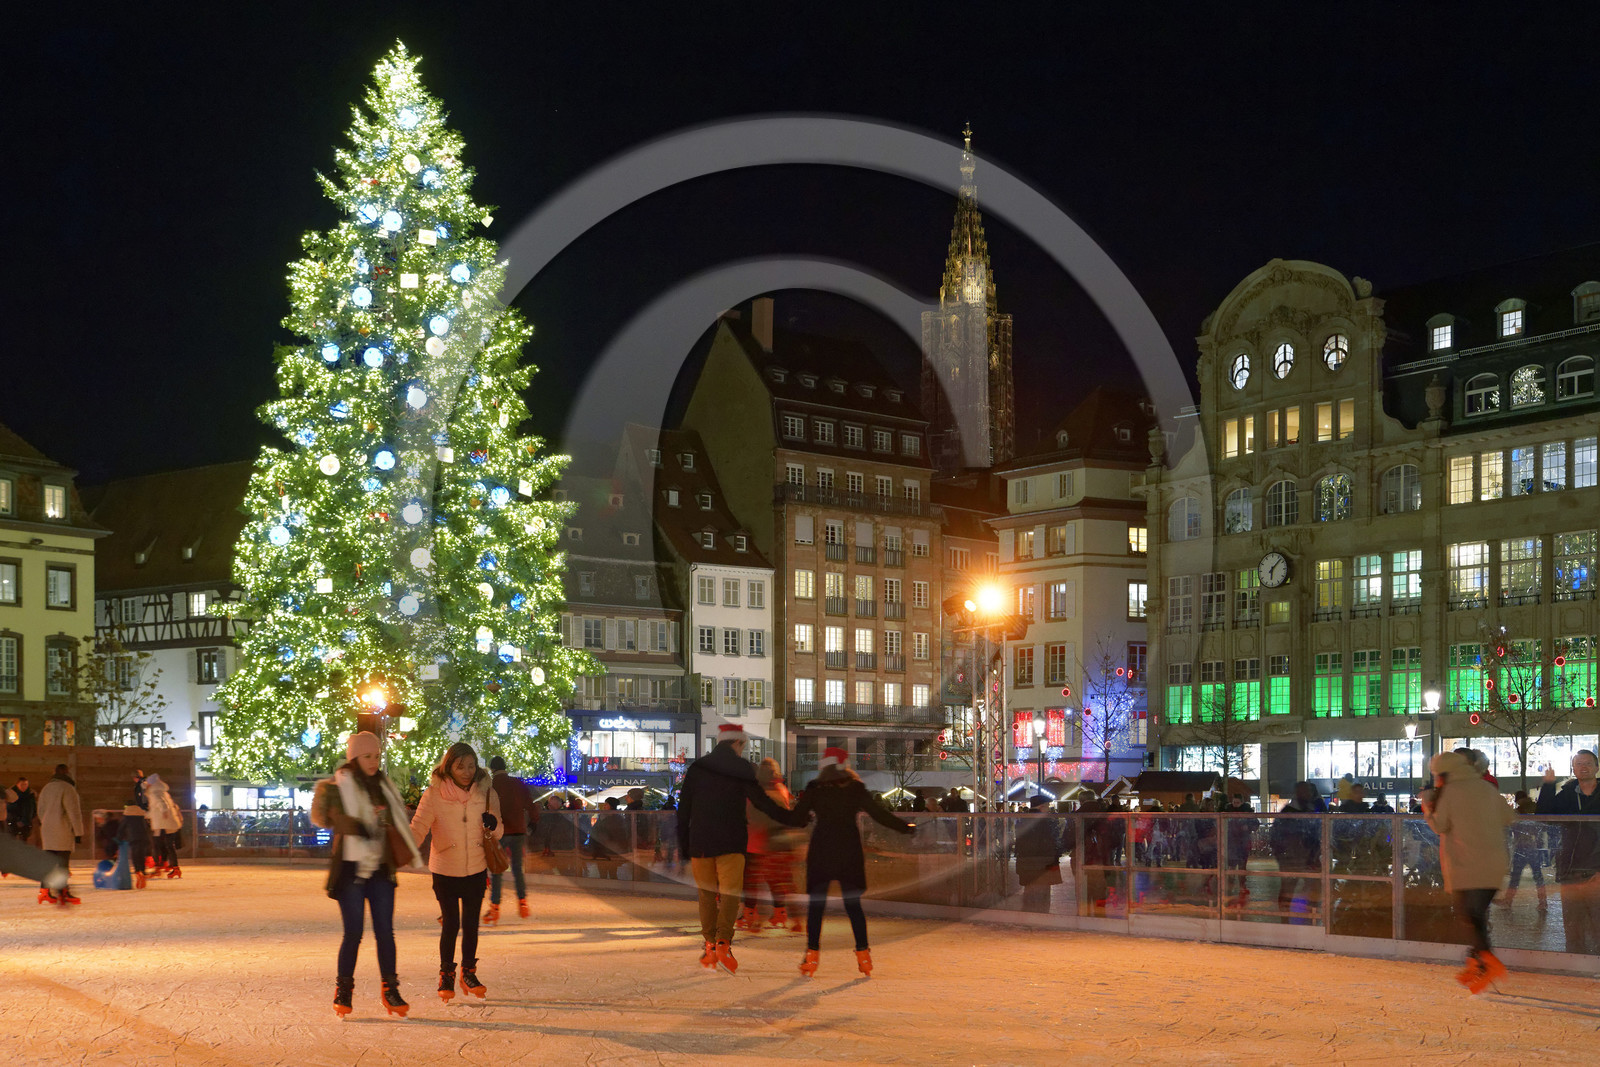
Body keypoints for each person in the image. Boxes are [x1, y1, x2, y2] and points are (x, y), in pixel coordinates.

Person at [675, 724, 804, 974]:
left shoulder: (698, 767)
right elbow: (762, 802)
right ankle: (723, 940)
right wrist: (791, 818)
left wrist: (684, 846)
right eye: (743, 745)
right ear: (737, 743)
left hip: (700, 843)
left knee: (706, 895)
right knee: (730, 893)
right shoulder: (742, 768)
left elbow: (684, 810)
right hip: (731, 842)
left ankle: (710, 944)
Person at [311, 730, 422, 1018]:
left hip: (381, 868)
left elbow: (395, 819)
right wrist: (358, 823)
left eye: (376, 756)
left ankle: (391, 989)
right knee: (354, 933)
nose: (373, 762)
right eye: (367, 756)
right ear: (354, 757)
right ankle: (344, 989)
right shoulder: (337, 787)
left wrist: (385, 826)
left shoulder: (383, 786)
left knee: (386, 932)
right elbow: (326, 817)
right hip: (350, 871)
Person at [791, 748, 915, 977]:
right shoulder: (855, 789)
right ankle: (863, 956)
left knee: (816, 907)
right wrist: (904, 828)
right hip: (848, 850)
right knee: (853, 906)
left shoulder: (814, 788)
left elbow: (797, 816)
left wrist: (805, 818)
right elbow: (878, 814)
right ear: (844, 765)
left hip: (822, 851)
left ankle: (811, 956)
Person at [410, 742, 503, 1002]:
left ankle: (468, 972)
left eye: (471, 765)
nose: (466, 771)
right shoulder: (434, 794)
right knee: (451, 922)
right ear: (449, 766)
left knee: (471, 923)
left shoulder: (486, 793)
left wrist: (494, 825)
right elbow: (418, 827)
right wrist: (400, 850)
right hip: (445, 868)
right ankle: (446, 974)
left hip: (475, 866)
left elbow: (499, 831)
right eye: (460, 766)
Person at [1422, 750, 1514, 993]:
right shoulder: (1486, 788)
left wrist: (1428, 807)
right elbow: (1509, 816)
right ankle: (1478, 964)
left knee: (1469, 915)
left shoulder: (1450, 792)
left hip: (1466, 865)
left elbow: (1440, 826)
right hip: (1493, 864)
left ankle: (1487, 962)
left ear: (1443, 774)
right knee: (1475, 916)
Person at [1535, 751, 1600, 954]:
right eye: (1578, 763)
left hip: (1596, 871)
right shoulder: (1567, 795)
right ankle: (1576, 969)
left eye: (1588, 763)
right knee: (1573, 926)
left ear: (1597, 767)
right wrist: (1548, 785)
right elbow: (1544, 816)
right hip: (1570, 870)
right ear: (1573, 769)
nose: (1583, 766)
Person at [740, 758, 802, 931]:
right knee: (784, 884)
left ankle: (754, 919)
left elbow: (752, 818)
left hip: (761, 844)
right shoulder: (781, 790)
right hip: (783, 843)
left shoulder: (756, 793)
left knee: (753, 883)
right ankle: (790, 917)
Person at [486, 755, 535, 923]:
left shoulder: (491, 786)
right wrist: (533, 822)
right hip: (518, 831)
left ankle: (495, 907)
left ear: (492, 769)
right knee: (517, 869)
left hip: (499, 832)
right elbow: (530, 803)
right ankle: (522, 902)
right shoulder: (518, 783)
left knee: (497, 870)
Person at [1269, 781, 1325, 919]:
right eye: (1305, 791)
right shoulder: (1291, 811)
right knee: (1289, 887)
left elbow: (1317, 833)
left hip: (1308, 857)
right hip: (1293, 858)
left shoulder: (1309, 809)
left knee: (1313, 885)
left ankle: (1308, 914)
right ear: (1298, 792)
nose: (1308, 794)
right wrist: (1283, 855)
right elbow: (1277, 836)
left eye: (1309, 791)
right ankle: (1287, 916)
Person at [37, 764, 83, 905]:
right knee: (63, 863)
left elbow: (40, 810)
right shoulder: (68, 789)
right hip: (62, 829)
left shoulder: (46, 788)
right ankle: (63, 892)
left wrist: (45, 823)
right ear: (67, 773)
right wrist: (78, 832)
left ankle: (44, 891)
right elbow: (73, 812)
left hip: (47, 829)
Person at [1013, 794, 1064, 913]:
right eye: (1047, 806)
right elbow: (1050, 843)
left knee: (1030, 893)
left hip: (1027, 863)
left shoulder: (1022, 820)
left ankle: (1030, 919)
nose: (1049, 809)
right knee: (1042, 895)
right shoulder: (1045, 822)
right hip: (1042, 864)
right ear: (1042, 807)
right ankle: (1040, 919)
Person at [1501, 790, 1547, 912]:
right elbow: (1540, 827)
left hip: (1521, 848)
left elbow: (1512, 827)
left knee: (1515, 877)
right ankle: (1543, 902)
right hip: (1534, 848)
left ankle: (1508, 901)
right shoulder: (1535, 809)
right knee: (1538, 876)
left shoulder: (1518, 812)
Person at [144, 773, 184, 879]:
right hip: (166, 823)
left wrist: (164, 811)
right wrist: (147, 815)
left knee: (157, 845)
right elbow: (155, 808)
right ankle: (174, 868)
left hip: (161, 823)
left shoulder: (154, 792)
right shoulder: (162, 791)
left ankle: (159, 867)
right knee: (168, 845)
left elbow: (162, 804)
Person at [116, 802, 153, 889]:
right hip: (144, 838)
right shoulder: (142, 815)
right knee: (141, 856)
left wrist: (118, 839)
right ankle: (142, 872)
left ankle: (138, 872)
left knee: (135, 855)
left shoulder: (127, 816)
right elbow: (148, 827)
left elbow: (121, 828)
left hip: (133, 838)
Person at [5, 776, 36, 842]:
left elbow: (32, 809)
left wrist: (27, 820)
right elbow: (9, 809)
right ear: (17, 785)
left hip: (26, 823)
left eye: (26, 784)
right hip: (13, 822)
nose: (24, 786)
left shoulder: (30, 796)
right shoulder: (11, 796)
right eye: (22, 784)